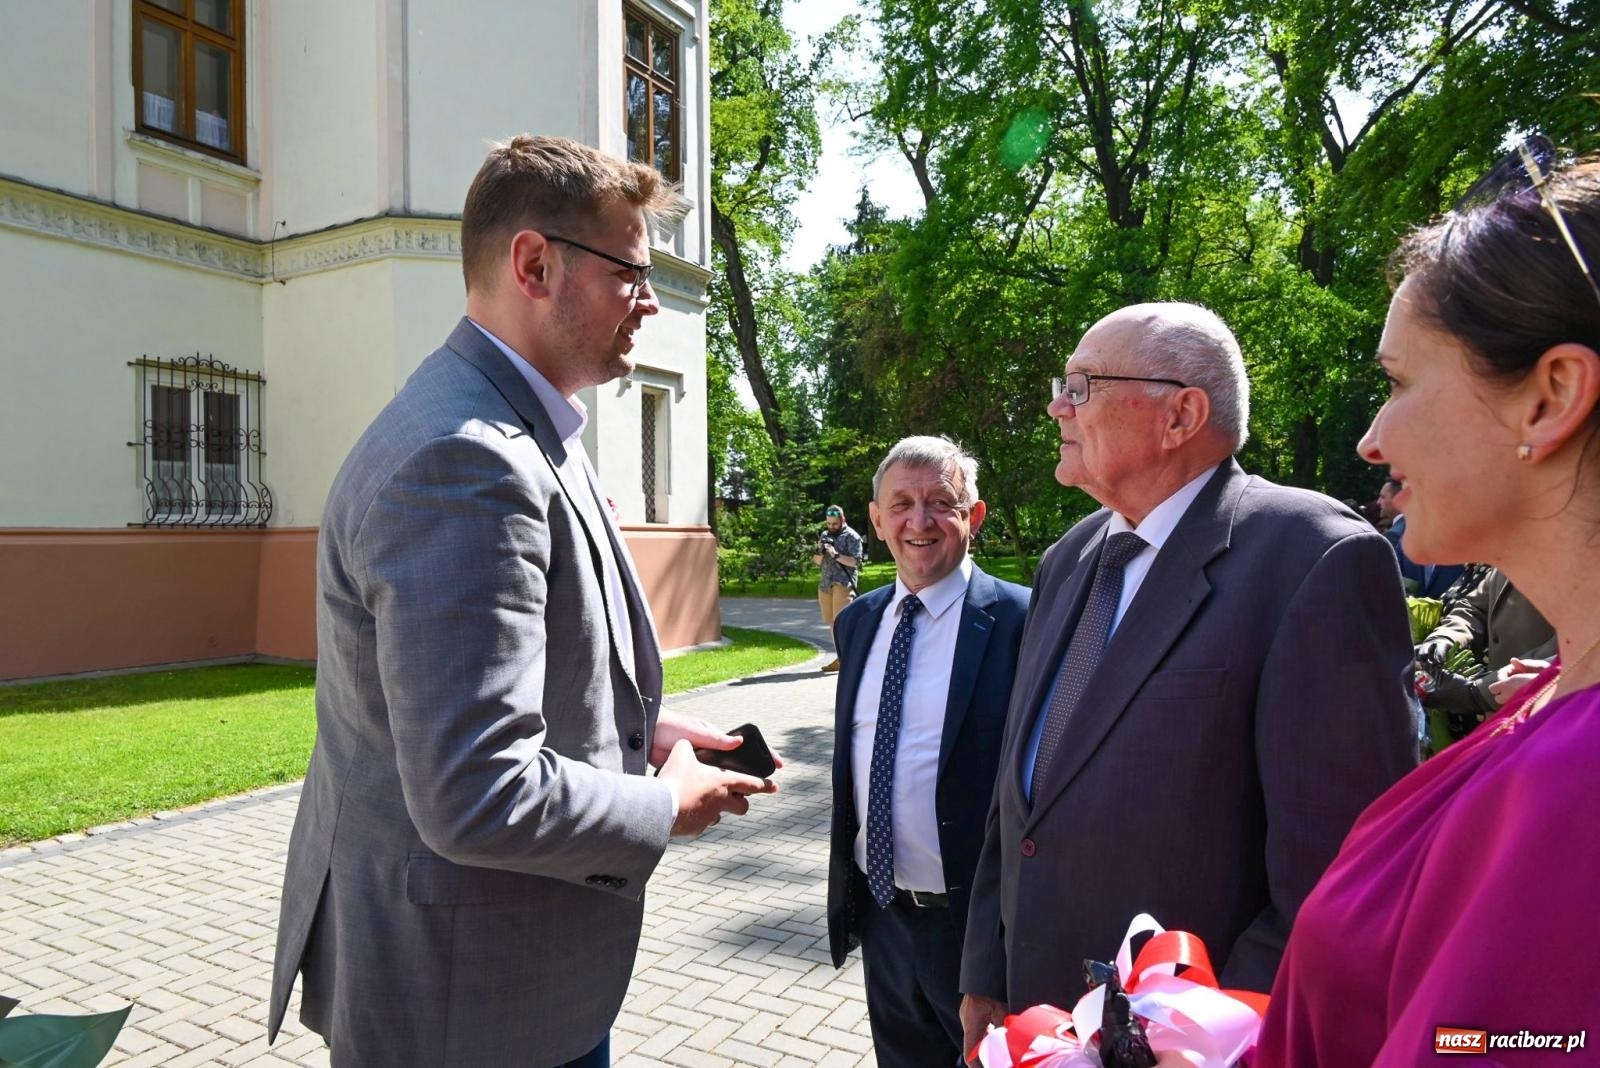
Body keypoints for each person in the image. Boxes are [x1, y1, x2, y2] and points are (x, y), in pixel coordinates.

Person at [268, 135, 778, 1068]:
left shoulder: (513, 427)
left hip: (490, 980)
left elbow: (507, 678)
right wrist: (660, 806)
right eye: (631, 269)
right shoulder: (465, 460)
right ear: (535, 264)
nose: (651, 299)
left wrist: (643, 734)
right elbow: (476, 790)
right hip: (468, 1007)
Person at [959, 302, 1419, 1059]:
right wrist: (986, 971)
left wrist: (1212, 1042)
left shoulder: (1315, 560)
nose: (1055, 405)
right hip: (1037, 1023)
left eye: (1081, 386)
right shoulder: (1068, 558)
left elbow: (1341, 879)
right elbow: (1020, 798)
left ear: (1181, 415)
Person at [1255, 147, 1600, 1065]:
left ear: (1550, 397)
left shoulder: (1580, 789)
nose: (1370, 440)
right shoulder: (1555, 697)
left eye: (1400, 382)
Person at [826, 436, 1030, 1068]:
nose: (919, 521)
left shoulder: (1025, 620)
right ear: (877, 518)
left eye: (941, 502)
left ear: (975, 516)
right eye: (902, 504)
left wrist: (992, 958)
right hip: (883, 917)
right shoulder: (858, 621)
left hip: (976, 933)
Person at [1414, 565, 1554, 737]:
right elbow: (1475, 606)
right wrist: (1446, 637)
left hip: (1546, 720)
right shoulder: (1516, 551)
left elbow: (1573, 651)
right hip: (1501, 722)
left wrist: (1479, 693)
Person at [813, 504, 864, 672]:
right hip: (825, 584)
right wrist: (820, 551)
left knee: (842, 623)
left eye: (834, 524)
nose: (831, 527)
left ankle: (850, 659)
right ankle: (840, 658)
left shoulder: (852, 536)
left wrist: (835, 554)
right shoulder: (825, 535)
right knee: (832, 624)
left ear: (843, 520)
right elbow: (817, 562)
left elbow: (856, 562)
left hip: (843, 584)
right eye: (828, 524)